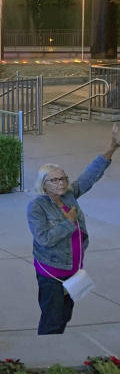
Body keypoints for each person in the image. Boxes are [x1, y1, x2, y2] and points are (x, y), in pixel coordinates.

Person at [28, 123, 119, 335]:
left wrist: (112, 147)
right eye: (55, 180)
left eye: (63, 178)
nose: (61, 183)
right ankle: (48, 360)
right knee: (52, 320)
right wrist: (68, 223)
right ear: (44, 184)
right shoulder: (37, 206)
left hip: (73, 272)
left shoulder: (69, 195)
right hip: (52, 274)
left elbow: (90, 175)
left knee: (64, 317)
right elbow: (43, 238)